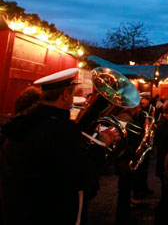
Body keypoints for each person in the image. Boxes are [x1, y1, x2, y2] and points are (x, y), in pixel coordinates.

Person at [0, 68, 112, 225]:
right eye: (72, 94)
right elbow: (81, 178)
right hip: (52, 212)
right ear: (65, 94)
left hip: (20, 209)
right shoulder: (62, 129)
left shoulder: (24, 123)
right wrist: (100, 147)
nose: (73, 99)